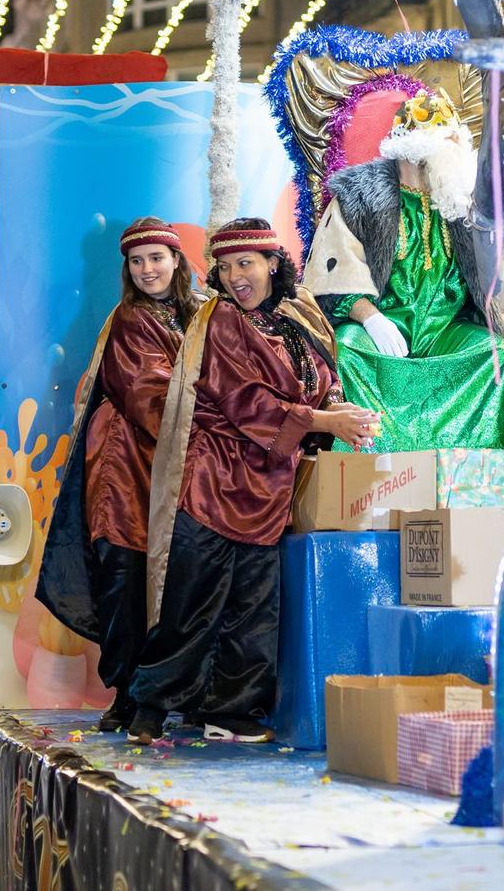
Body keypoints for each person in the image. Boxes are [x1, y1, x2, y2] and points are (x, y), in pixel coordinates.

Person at [125, 219, 379, 746]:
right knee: (190, 604)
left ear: (272, 264)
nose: (235, 275)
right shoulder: (219, 322)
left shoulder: (296, 316)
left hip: (270, 483)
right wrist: (324, 422)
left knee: (252, 609)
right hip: (214, 479)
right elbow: (247, 403)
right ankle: (148, 707)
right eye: (225, 266)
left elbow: (322, 379)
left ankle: (230, 711)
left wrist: (334, 405)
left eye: (246, 263)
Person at [304, 92, 504, 454]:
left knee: (495, 355)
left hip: (447, 330)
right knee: (346, 349)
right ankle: (368, 477)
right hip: (381, 327)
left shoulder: (463, 193)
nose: (460, 153)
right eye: (451, 145)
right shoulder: (360, 196)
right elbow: (331, 271)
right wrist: (372, 318)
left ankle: (481, 479)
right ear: (421, 150)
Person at [38, 217, 199, 735]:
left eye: (157, 258)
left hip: (170, 470)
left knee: (166, 586)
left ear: (177, 261)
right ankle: (128, 695)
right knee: (124, 582)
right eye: (137, 261)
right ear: (127, 270)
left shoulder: (195, 317)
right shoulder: (131, 319)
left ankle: (151, 696)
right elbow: (149, 397)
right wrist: (222, 428)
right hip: (124, 473)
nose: (148, 269)